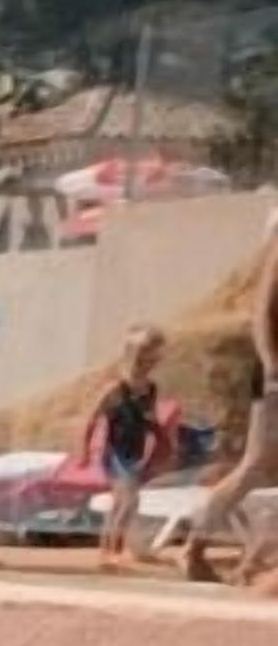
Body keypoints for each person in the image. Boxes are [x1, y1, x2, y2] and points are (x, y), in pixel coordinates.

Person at [182, 209, 278, 589]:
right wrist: (272, 367)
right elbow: (261, 315)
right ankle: (195, 545)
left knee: (260, 467)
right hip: (275, 372)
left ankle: (255, 557)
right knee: (253, 467)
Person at [93, 325, 173, 571]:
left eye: (156, 354)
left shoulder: (150, 388)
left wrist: (163, 440)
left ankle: (107, 551)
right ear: (135, 354)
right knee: (128, 501)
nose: (153, 360)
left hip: (134, 451)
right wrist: (84, 449)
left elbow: (149, 418)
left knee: (122, 503)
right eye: (149, 353)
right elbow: (93, 416)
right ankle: (113, 551)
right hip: (115, 451)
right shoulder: (117, 387)